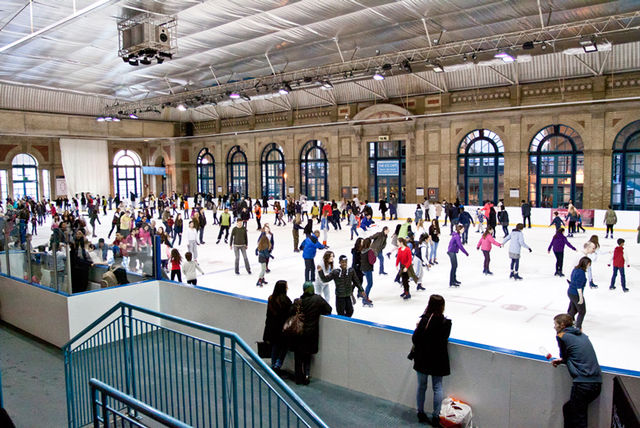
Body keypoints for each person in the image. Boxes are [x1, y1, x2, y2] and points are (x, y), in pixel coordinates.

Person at [551, 313, 602, 428]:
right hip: (596, 383)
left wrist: (562, 360)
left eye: (555, 324)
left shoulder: (562, 336)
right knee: (569, 409)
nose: (554, 327)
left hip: (583, 384)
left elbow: (565, 355)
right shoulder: (582, 335)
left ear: (562, 325)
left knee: (578, 417)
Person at [412, 294, 451, 426]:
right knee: (437, 387)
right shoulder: (446, 323)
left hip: (423, 358)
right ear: (442, 307)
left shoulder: (424, 321)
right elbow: (444, 338)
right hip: (438, 359)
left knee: (422, 386)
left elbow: (415, 339)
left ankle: (421, 413)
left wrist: (418, 329)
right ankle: (435, 416)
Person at [291, 281, 332, 385]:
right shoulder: (317, 299)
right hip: (311, 334)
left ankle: (298, 377)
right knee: (307, 356)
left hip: (298, 333)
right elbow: (328, 309)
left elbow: (291, 311)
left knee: (298, 356)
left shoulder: (298, 301)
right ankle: (306, 375)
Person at [263, 280, 292, 374]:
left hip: (273, 328)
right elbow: (289, 315)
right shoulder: (286, 301)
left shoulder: (271, 299)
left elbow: (268, 316)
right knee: (284, 347)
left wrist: (267, 330)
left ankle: (273, 364)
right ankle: (278, 364)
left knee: (275, 346)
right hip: (283, 329)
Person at [567, 257, 591, 330]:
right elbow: (579, 286)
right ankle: (578, 327)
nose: (589, 266)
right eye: (589, 264)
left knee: (573, 310)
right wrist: (581, 298)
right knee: (582, 311)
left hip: (570, 292)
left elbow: (571, 279)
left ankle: (568, 322)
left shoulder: (575, 269)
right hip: (576, 294)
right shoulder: (581, 273)